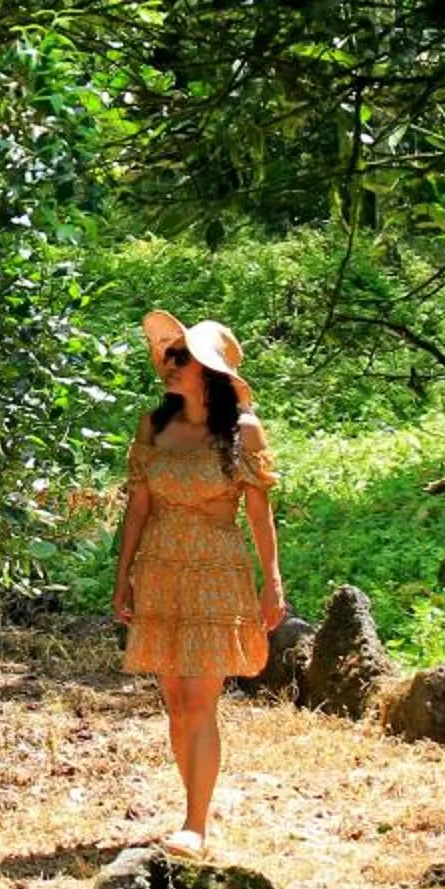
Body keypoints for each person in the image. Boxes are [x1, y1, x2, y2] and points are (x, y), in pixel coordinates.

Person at [111, 308, 285, 857]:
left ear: (208, 370)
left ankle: (196, 824)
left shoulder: (243, 431)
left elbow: (260, 512)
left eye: (182, 357)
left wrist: (272, 581)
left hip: (218, 568)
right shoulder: (153, 426)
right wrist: (123, 579)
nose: (170, 364)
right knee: (176, 701)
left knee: (200, 696)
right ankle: (191, 808)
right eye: (169, 355)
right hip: (161, 565)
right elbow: (137, 508)